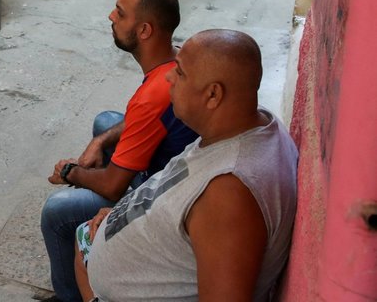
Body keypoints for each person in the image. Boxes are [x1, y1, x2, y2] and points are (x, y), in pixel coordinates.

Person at [74, 30, 298, 302]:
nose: (168, 77)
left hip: (110, 291)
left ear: (213, 95)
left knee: (59, 214)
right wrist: (124, 214)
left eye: (179, 72)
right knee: (81, 232)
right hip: (121, 242)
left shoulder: (230, 194)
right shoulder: (252, 121)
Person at [40, 0, 198, 301]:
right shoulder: (175, 61)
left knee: (57, 211)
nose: (110, 16)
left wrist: (70, 172)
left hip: (158, 195)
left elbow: (112, 186)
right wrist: (99, 142)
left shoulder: (151, 96)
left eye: (120, 14)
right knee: (106, 122)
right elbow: (144, 119)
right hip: (169, 162)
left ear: (143, 30)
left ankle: (69, 295)